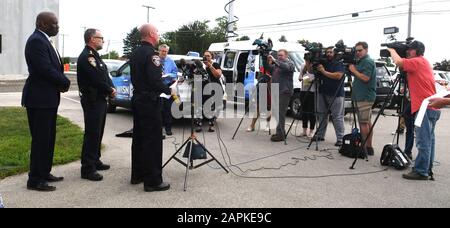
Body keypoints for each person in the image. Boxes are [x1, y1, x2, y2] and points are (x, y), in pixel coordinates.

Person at [22, 12, 71, 192]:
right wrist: (64, 82)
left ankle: (44, 172)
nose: (57, 27)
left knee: (48, 138)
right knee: (41, 140)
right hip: (39, 98)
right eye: (54, 24)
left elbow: (54, 67)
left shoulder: (45, 40)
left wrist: (60, 82)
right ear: (42, 23)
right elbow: (44, 69)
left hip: (48, 98)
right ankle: (35, 179)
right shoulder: (36, 41)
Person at [130, 23, 175, 192]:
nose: (158, 34)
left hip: (138, 99)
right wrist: (169, 90)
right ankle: (153, 181)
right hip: (149, 101)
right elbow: (155, 81)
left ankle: (137, 175)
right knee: (153, 141)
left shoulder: (135, 53)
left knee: (139, 138)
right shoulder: (152, 55)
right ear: (150, 34)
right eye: (156, 32)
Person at [388, 41, 441, 181]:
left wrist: (392, 49)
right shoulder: (423, 62)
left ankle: (421, 171)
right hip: (432, 107)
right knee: (429, 141)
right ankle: (426, 168)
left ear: (417, 51)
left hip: (424, 107)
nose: (407, 52)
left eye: (410, 50)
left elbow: (399, 62)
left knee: (423, 142)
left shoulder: (417, 61)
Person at [77, 29, 116, 182]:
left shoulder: (95, 56)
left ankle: (95, 160)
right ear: (92, 39)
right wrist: (109, 89)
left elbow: (105, 75)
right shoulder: (87, 57)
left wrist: (111, 87)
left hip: (99, 99)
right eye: (101, 38)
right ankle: (87, 168)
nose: (103, 41)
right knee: (92, 133)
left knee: (98, 132)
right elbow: (96, 79)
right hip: (92, 100)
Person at [348, 42, 377, 156]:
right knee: (367, 122)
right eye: (356, 51)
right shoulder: (361, 61)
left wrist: (353, 70)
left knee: (363, 123)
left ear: (366, 50)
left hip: (365, 96)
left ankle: (364, 148)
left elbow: (365, 78)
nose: (358, 53)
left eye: (360, 50)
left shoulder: (368, 62)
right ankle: (368, 147)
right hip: (361, 96)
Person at [313, 47, 346, 147]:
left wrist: (323, 71)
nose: (328, 54)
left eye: (331, 52)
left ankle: (340, 138)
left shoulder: (338, 63)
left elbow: (338, 76)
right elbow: (311, 71)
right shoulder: (323, 62)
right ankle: (320, 135)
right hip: (322, 91)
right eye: (327, 52)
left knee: (337, 117)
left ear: (335, 53)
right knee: (321, 114)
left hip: (336, 93)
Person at [267, 50, 295, 142]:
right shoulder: (277, 64)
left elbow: (286, 67)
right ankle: (280, 131)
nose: (279, 57)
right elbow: (269, 69)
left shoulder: (289, 63)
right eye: (278, 55)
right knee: (276, 112)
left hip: (284, 91)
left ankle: (281, 134)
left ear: (286, 55)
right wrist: (267, 60)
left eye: (281, 55)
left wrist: (275, 60)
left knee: (280, 113)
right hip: (276, 90)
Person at [195, 51, 223, 133]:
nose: (206, 57)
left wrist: (210, 66)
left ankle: (211, 125)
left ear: (212, 57)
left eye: (208, 56)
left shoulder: (215, 64)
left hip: (214, 88)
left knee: (211, 107)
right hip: (202, 87)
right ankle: (199, 125)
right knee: (199, 106)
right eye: (205, 56)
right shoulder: (200, 65)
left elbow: (218, 75)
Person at [159, 44, 178, 136]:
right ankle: (157, 128)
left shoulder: (170, 61)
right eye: (162, 51)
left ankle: (168, 128)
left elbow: (175, 73)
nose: (164, 53)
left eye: (166, 51)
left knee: (168, 109)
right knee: (158, 108)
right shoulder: (155, 60)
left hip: (167, 86)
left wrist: (170, 75)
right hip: (157, 87)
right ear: (159, 51)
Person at [299, 58, 316, 138]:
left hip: (312, 91)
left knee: (311, 112)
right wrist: (303, 78)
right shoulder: (303, 66)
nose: (306, 62)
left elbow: (314, 78)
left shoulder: (315, 67)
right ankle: (304, 130)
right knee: (304, 111)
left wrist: (306, 79)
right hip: (303, 90)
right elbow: (300, 78)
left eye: (307, 60)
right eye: (305, 60)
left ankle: (312, 130)